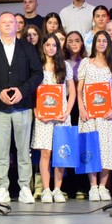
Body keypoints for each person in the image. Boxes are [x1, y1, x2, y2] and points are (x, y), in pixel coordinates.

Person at [0, 12, 43, 204]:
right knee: (1, 150)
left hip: (23, 106)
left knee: (23, 149)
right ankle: (2, 188)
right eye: (4, 22)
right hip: (0, 107)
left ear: (17, 26)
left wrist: (23, 91)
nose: (8, 25)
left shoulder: (27, 48)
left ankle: (25, 187)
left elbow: (38, 74)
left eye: (11, 22)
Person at [77, 30, 112, 201]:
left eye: (105, 41)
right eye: (99, 40)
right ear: (94, 43)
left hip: (107, 114)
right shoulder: (86, 63)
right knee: (91, 148)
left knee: (106, 149)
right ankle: (93, 187)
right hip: (89, 113)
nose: (102, 43)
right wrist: (82, 108)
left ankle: (103, 187)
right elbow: (79, 89)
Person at [32, 33, 75, 203]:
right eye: (48, 45)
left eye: (54, 45)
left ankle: (57, 189)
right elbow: (32, 91)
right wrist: (36, 111)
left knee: (61, 152)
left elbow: (72, 92)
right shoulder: (37, 65)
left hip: (61, 115)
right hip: (43, 116)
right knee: (45, 152)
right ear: (42, 46)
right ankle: (46, 189)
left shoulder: (64, 66)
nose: (51, 48)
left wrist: (67, 112)